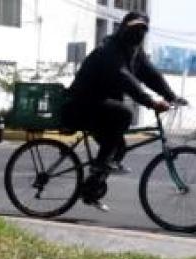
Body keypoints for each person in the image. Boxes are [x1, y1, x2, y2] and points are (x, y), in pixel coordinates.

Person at [61, 11, 183, 211]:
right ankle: (98, 166)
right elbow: (123, 77)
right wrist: (150, 102)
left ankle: (91, 191)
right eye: (134, 28)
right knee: (124, 114)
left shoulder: (134, 52)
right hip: (81, 106)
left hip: (100, 108)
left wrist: (171, 96)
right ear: (123, 27)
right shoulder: (109, 49)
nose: (138, 33)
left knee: (119, 147)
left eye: (142, 30)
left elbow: (152, 76)